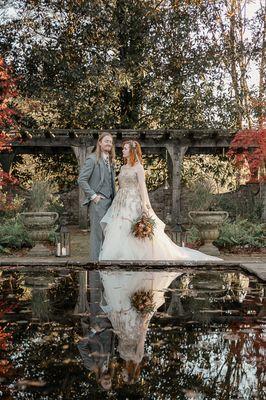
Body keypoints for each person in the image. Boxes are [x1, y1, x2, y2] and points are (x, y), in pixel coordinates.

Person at [99, 140, 221, 261]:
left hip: (134, 201)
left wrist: (145, 205)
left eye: (125, 148)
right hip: (120, 202)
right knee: (119, 228)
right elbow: (120, 186)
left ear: (132, 151)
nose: (123, 150)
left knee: (133, 227)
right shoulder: (123, 167)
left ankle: (137, 256)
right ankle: (119, 255)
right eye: (123, 148)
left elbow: (142, 188)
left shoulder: (139, 168)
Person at [78, 133, 116, 260]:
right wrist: (93, 196)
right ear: (99, 142)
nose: (108, 144)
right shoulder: (92, 159)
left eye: (110, 142)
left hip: (110, 203)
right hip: (98, 203)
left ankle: (104, 263)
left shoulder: (110, 161)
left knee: (108, 235)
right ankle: (94, 264)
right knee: (97, 235)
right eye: (106, 141)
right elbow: (81, 180)